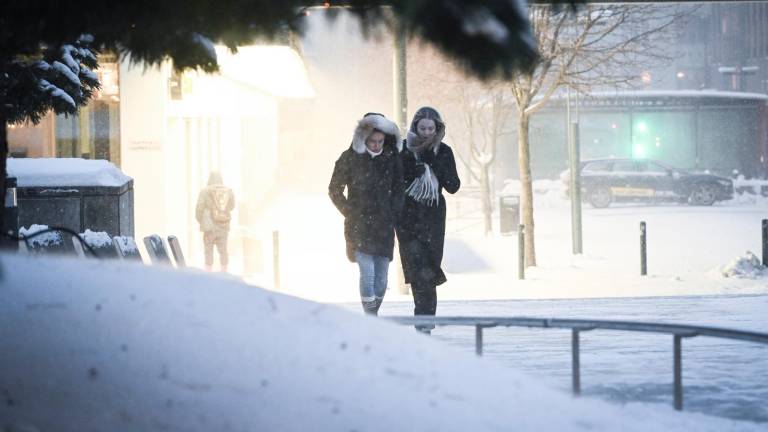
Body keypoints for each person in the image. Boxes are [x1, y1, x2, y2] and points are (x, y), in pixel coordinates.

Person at [329, 113, 404, 315]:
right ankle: (370, 317)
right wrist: (350, 212)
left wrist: (393, 212)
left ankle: (372, 313)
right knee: (368, 274)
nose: (376, 145)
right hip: (358, 226)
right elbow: (334, 189)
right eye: (372, 141)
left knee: (382, 280)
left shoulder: (392, 158)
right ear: (363, 138)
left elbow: (399, 189)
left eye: (380, 141)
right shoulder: (349, 158)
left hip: (384, 227)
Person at [396, 107, 460, 333]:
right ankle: (422, 321)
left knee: (429, 270)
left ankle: (425, 320)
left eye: (431, 128)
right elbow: (394, 181)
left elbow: (453, 186)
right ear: (415, 127)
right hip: (407, 217)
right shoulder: (403, 148)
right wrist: (412, 172)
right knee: (416, 271)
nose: (426, 133)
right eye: (422, 128)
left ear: (438, 128)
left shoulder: (444, 151)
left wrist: (436, 166)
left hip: (433, 217)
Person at [195, 172, 235, 272]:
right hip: (223, 226)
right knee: (223, 251)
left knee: (208, 251)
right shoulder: (228, 191)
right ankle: (224, 271)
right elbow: (232, 206)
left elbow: (199, 208)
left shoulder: (204, 191)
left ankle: (209, 274)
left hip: (209, 227)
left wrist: (201, 220)